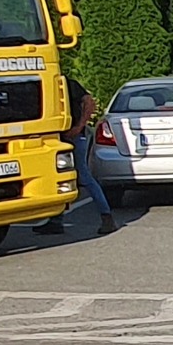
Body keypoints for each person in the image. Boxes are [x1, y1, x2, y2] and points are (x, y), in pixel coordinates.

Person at [37, 75, 116, 237]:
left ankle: (106, 217)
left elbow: (89, 102)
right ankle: (56, 221)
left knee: (84, 176)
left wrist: (79, 126)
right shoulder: (44, 84)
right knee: (58, 177)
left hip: (73, 136)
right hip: (54, 138)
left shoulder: (68, 83)